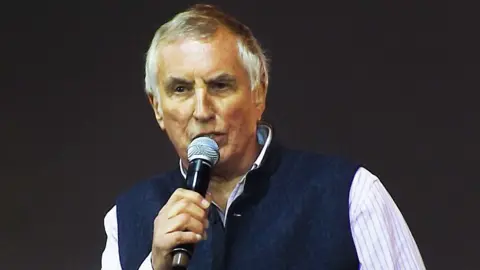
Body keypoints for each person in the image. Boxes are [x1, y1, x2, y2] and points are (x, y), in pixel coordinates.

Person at [101, 4, 426, 270]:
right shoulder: (127, 217)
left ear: (259, 93)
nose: (201, 110)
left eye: (219, 85)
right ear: (157, 108)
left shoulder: (350, 195)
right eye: (181, 89)